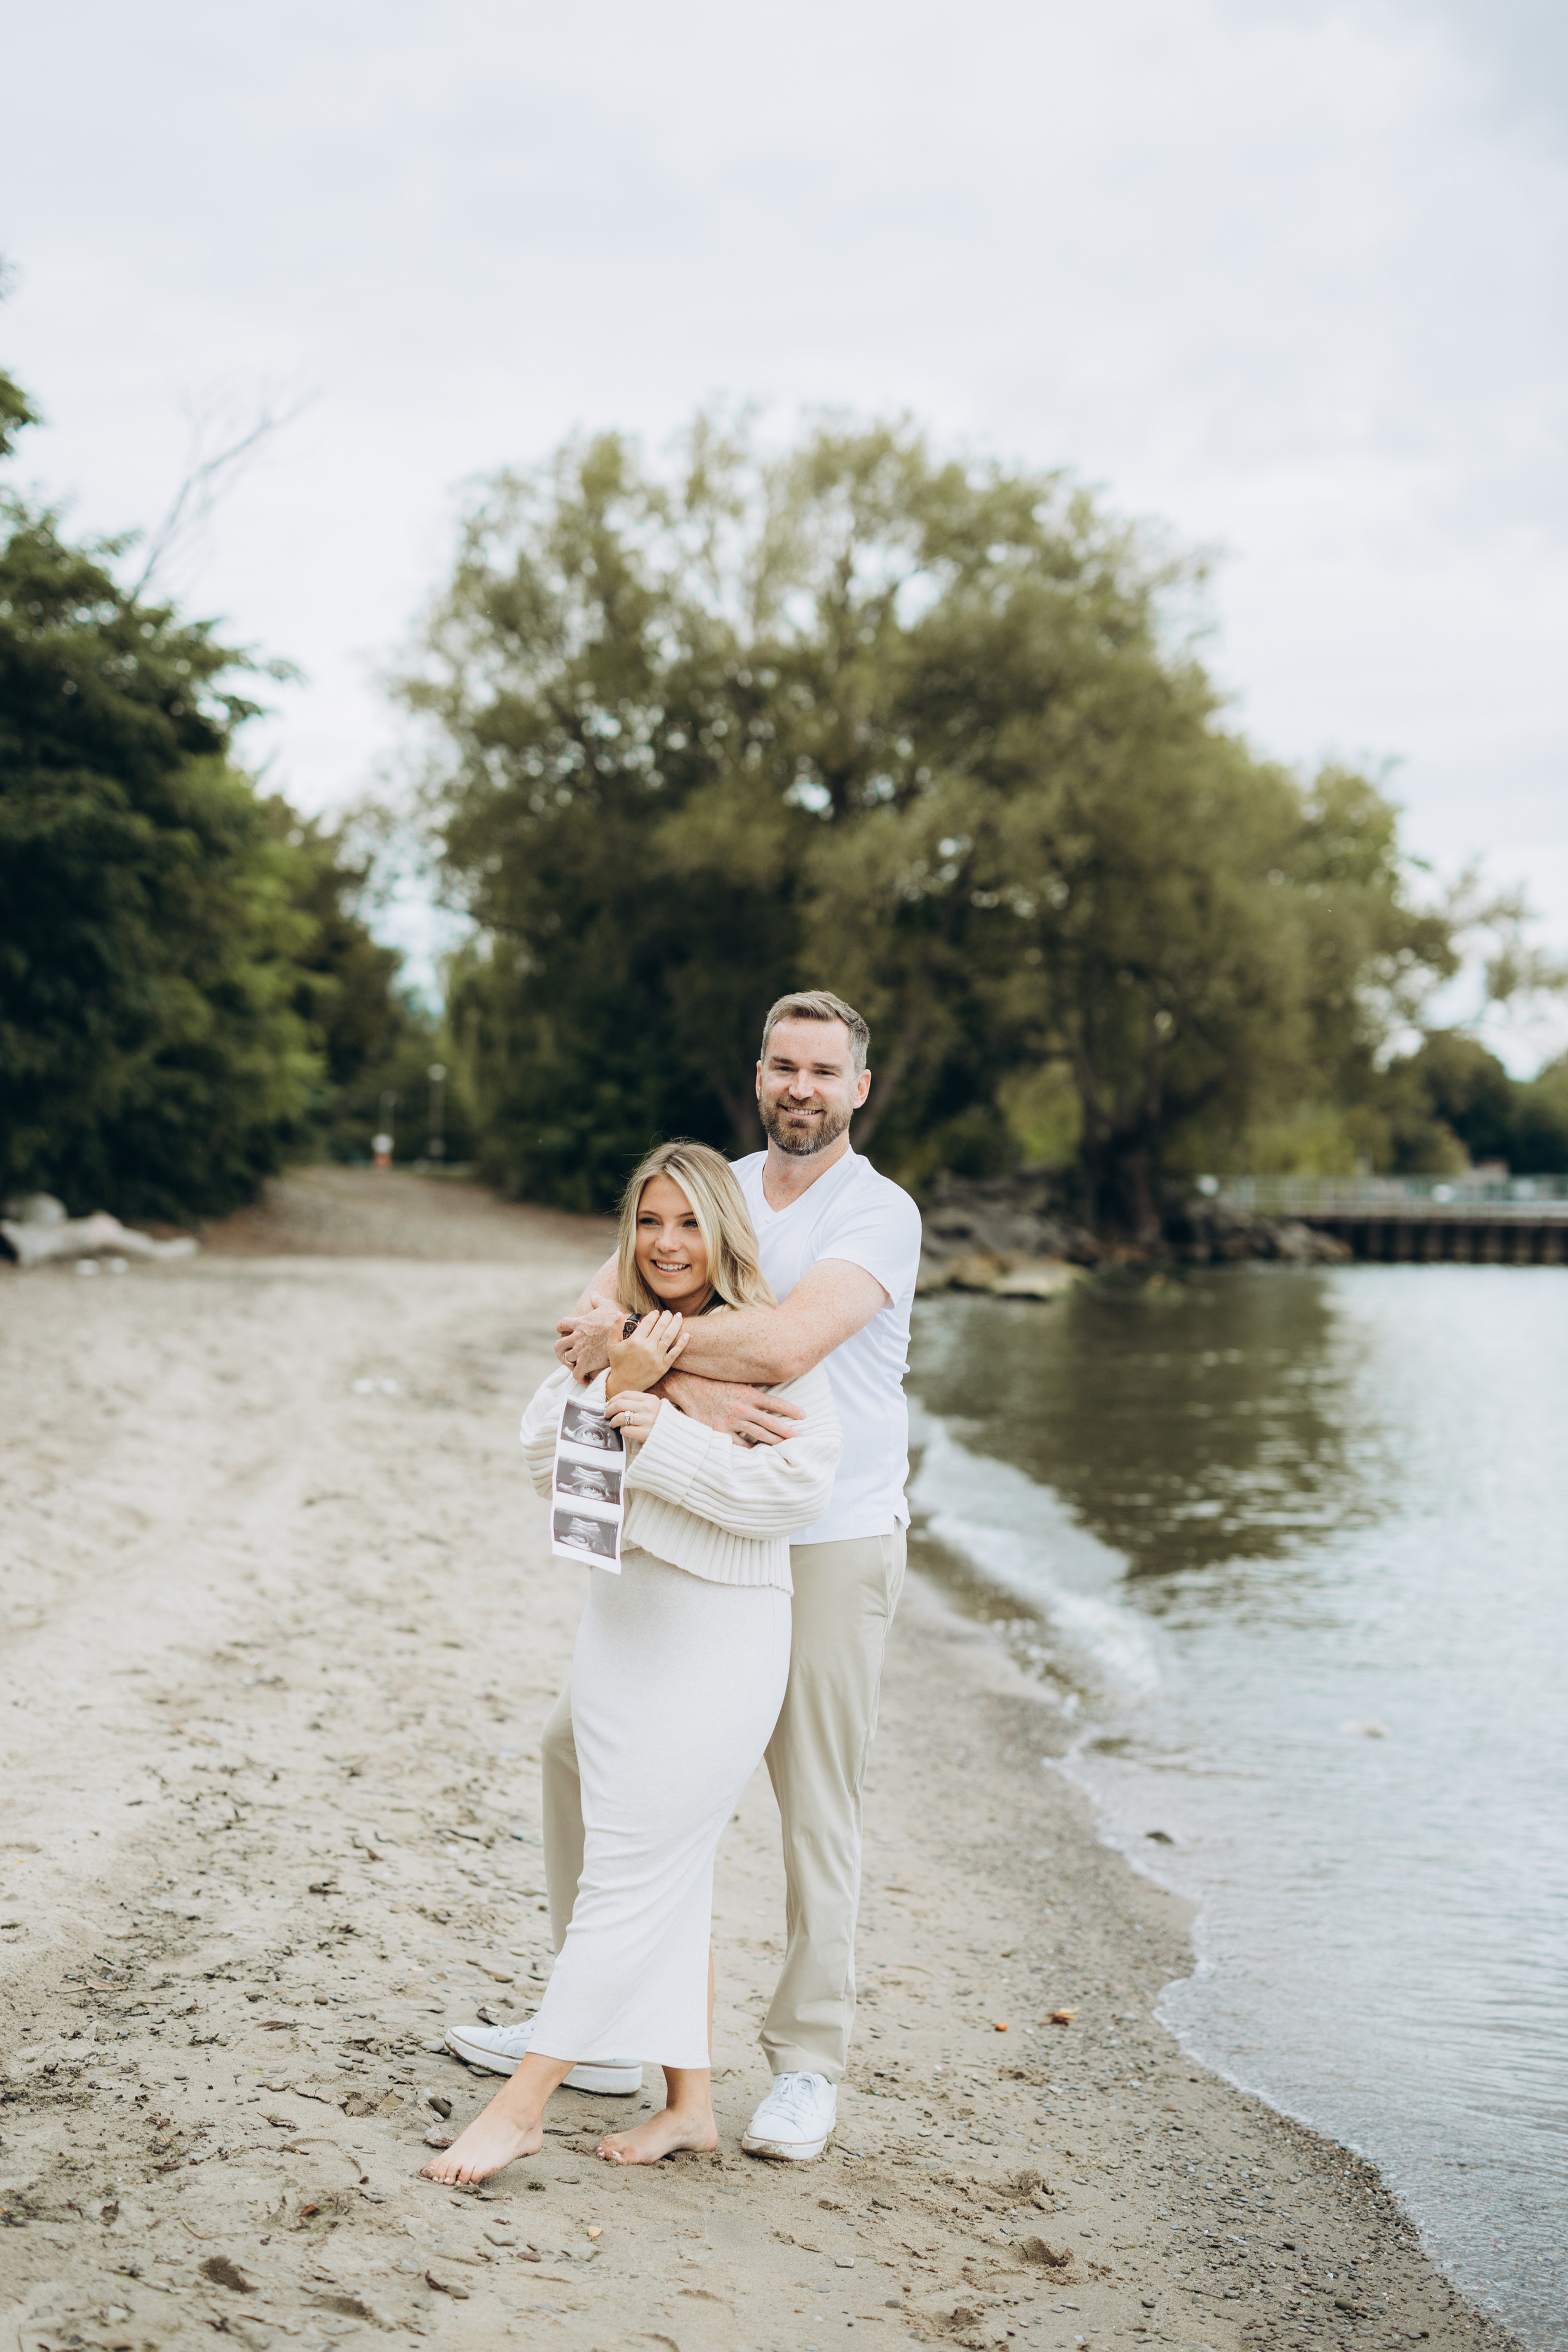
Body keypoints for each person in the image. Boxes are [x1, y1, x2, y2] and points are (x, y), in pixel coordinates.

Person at [445, 990, 922, 2165]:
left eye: (824, 1069)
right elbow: (583, 1325)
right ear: (757, 1075)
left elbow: (780, 1349)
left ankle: (808, 2065)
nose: (800, 1087)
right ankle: (603, 2020)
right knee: (575, 1753)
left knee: (812, 1800)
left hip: (827, 1530)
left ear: (860, 1088)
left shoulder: (881, 1211)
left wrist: (646, 1361)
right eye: (781, 1066)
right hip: (687, 1546)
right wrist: (649, 1364)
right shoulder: (709, 1190)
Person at [424, 1141, 840, 2185]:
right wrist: (619, 1382)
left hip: (724, 1632)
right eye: (651, 1222)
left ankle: (523, 2105)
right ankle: (691, 2107)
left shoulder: (774, 1345)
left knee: (626, 1877)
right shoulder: (611, 1338)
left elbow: (795, 1495)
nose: (666, 1243)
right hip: (620, 1630)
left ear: (723, 1234)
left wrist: (663, 1427)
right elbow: (539, 1461)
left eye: (690, 1222)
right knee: (668, 1870)